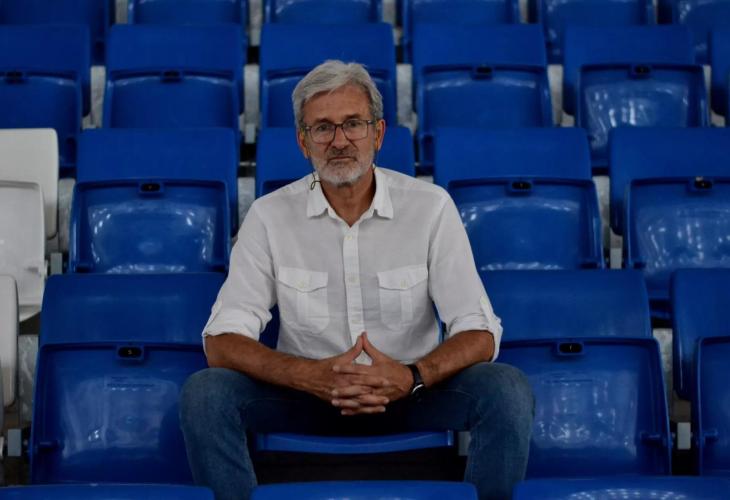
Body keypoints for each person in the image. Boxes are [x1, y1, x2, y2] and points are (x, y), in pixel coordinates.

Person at [180, 60, 533, 500]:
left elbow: (479, 330)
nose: (339, 140)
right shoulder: (269, 216)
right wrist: (310, 375)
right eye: (322, 128)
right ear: (303, 141)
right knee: (205, 394)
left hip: (410, 393)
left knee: (506, 389)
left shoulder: (430, 207)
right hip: (306, 395)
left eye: (353, 124)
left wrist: (411, 375)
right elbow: (221, 341)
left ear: (378, 134)